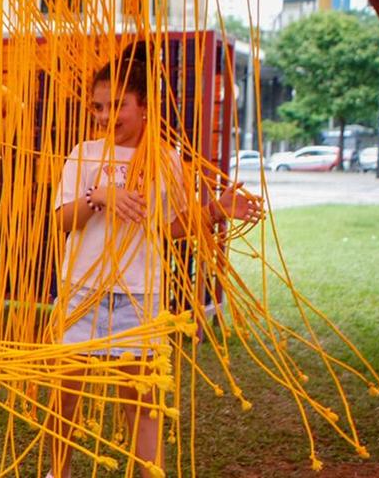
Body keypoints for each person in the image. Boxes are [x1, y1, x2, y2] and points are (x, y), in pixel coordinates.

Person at [48, 44, 263, 478]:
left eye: (118, 106)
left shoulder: (167, 160)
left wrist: (217, 210)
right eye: (98, 106)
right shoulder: (85, 153)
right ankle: (57, 473)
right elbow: (61, 219)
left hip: (139, 297)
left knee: (142, 400)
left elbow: (173, 226)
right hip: (83, 295)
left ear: (144, 107)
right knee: (64, 394)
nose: (106, 117)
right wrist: (99, 196)